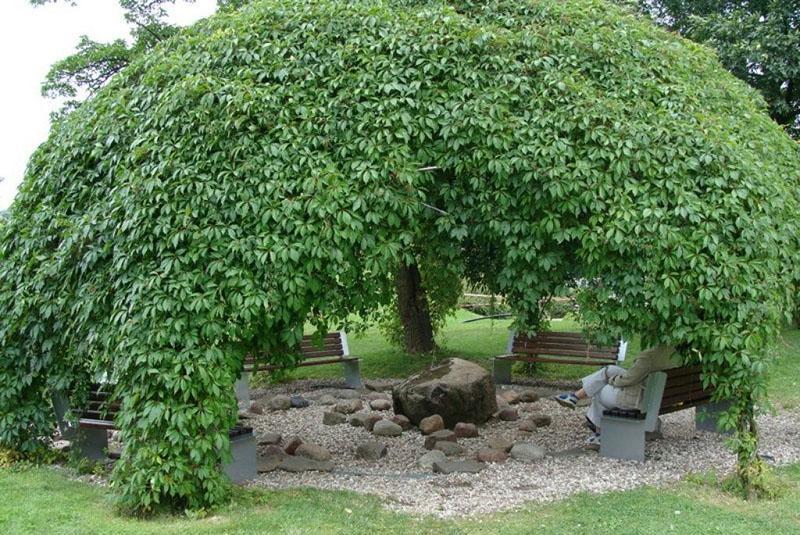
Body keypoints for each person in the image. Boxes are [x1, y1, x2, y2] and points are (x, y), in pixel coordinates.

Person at [554, 345, 678, 449]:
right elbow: (635, 375)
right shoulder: (679, 354)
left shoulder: (650, 356)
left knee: (598, 389)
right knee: (609, 370)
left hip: (638, 400)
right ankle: (574, 397)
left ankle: (599, 436)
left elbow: (628, 380)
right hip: (659, 397)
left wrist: (612, 381)